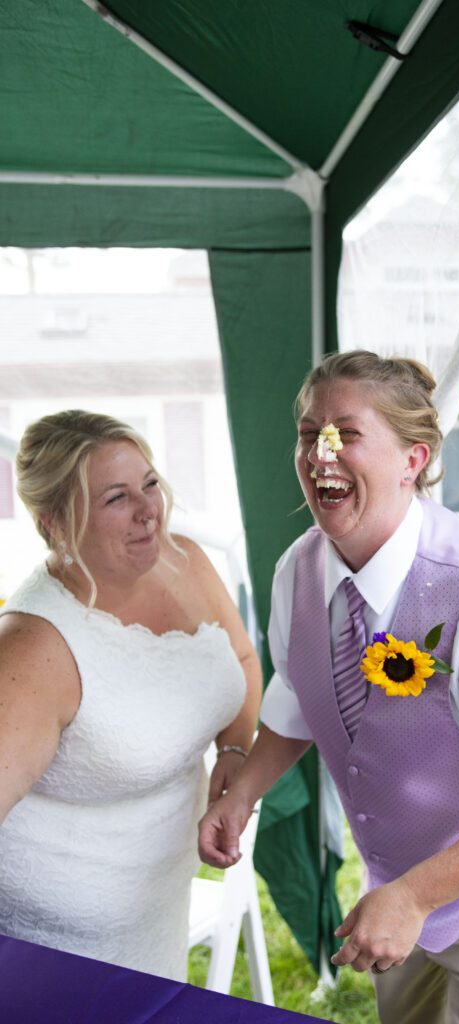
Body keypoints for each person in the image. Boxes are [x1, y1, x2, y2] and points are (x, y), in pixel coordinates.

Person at [198, 350, 459, 1024]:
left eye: (346, 434)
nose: (320, 454)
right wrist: (241, 794)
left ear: (413, 459)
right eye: (307, 434)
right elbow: (296, 705)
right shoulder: (297, 571)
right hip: (398, 879)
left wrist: (413, 898)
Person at [0, 410, 261, 981]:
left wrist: (236, 751)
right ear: (55, 525)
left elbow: (240, 661)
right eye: (117, 498)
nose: (149, 511)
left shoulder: (186, 561)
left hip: (156, 913)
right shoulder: (33, 647)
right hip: (56, 951)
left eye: (149, 484)